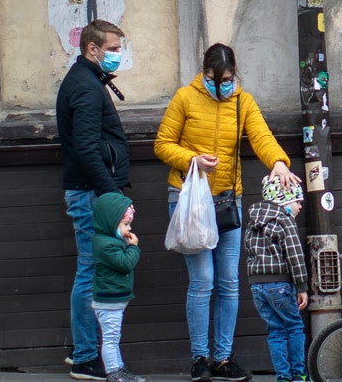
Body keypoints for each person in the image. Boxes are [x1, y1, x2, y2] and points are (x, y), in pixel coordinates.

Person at [155, 43, 301, 382]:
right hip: (189, 199)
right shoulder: (185, 98)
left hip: (226, 201)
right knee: (203, 280)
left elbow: (261, 136)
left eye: (226, 79)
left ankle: (222, 358)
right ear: (204, 73)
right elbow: (162, 143)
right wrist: (192, 160)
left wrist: (278, 162)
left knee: (230, 282)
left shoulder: (243, 102)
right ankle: (199, 359)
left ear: (234, 75)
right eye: (213, 79)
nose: (220, 85)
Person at [57, 19, 132, 380]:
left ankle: (84, 349)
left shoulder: (86, 80)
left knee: (89, 268)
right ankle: (88, 356)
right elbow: (87, 148)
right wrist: (112, 193)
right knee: (90, 271)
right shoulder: (86, 87)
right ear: (93, 49)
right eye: (114, 48)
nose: (118, 55)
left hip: (89, 189)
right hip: (91, 192)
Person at [245, 176, 309, 382]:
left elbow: (248, 251)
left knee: (275, 329)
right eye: (297, 200)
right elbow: (295, 255)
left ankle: (283, 375)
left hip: (256, 286)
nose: (299, 206)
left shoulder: (253, 222)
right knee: (294, 326)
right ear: (285, 199)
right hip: (280, 284)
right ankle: (298, 373)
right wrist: (301, 286)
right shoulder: (285, 220)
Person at [91, 192, 145, 382]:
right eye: (125, 225)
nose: (129, 229)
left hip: (114, 299)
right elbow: (125, 263)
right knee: (111, 338)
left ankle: (119, 369)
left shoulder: (111, 241)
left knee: (114, 336)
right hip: (108, 300)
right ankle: (114, 373)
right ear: (110, 224)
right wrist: (133, 247)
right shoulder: (107, 245)